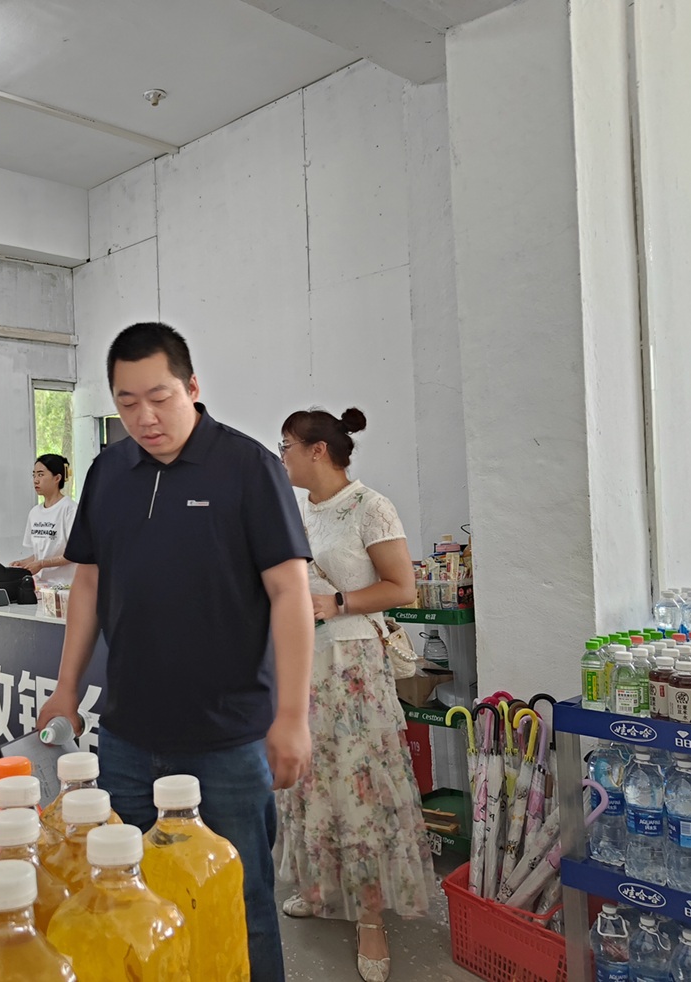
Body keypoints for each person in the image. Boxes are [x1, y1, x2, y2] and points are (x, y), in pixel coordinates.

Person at [34, 322, 314, 982]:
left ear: (192, 387)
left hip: (229, 739)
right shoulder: (109, 471)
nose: (145, 417)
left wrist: (292, 717)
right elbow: (88, 583)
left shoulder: (248, 467)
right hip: (128, 737)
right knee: (132, 902)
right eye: (127, 402)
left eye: (159, 397)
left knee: (241, 905)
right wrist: (66, 687)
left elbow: (290, 593)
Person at [274, 406, 435, 982]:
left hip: (353, 666)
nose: (282, 457)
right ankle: (320, 888)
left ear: (317, 450)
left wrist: (338, 603)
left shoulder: (371, 506)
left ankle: (370, 918)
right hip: (303, 662)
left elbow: (402, 587)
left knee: (359, 783)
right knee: (310, 780)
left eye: (287, 446)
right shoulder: (297, 511)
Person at [10, 453, 77, 588]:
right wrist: (23, 563)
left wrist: (41, 564)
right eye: (34, 475)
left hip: (64, 588)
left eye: (41, 475)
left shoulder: (70, 509)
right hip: (41, 587)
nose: (36, 480)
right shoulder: (34, 513)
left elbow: (74, 553)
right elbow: (39, 554)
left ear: (57, 478)